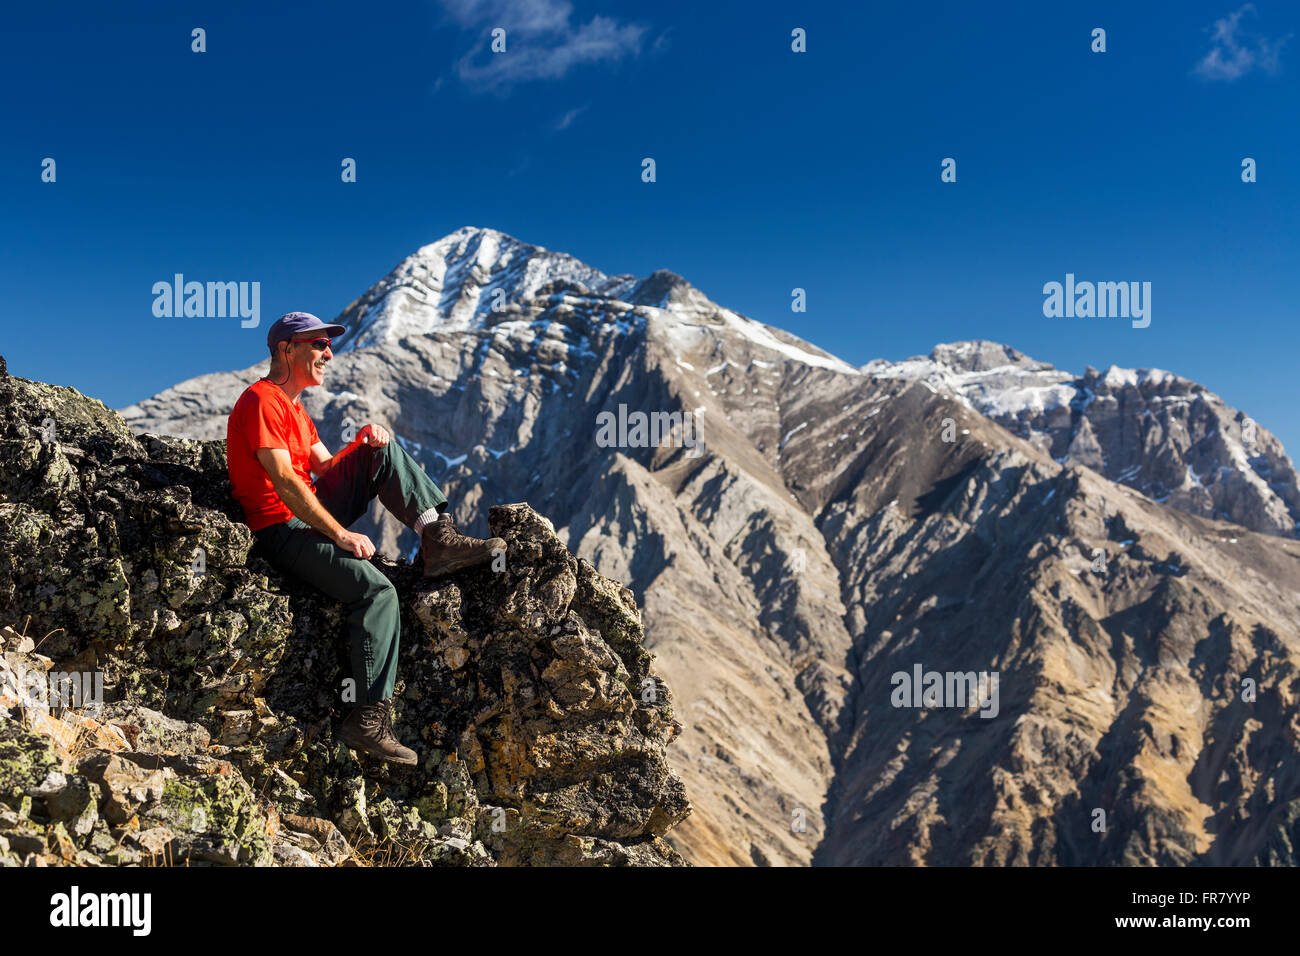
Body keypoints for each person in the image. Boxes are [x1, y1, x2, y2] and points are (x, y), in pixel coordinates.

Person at [225, 311, 505, 764]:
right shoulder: (261, 400)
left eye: (327, 345)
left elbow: (323, 470)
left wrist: (364, 444)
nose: (328, 353)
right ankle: (368, 720)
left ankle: (438, 540)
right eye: (318, 345)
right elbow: (285, 481)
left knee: (381, 450)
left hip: (306, 513)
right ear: (286, 349)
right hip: (282, 529)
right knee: (378, 593)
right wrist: (339, 535)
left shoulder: (295, 409)